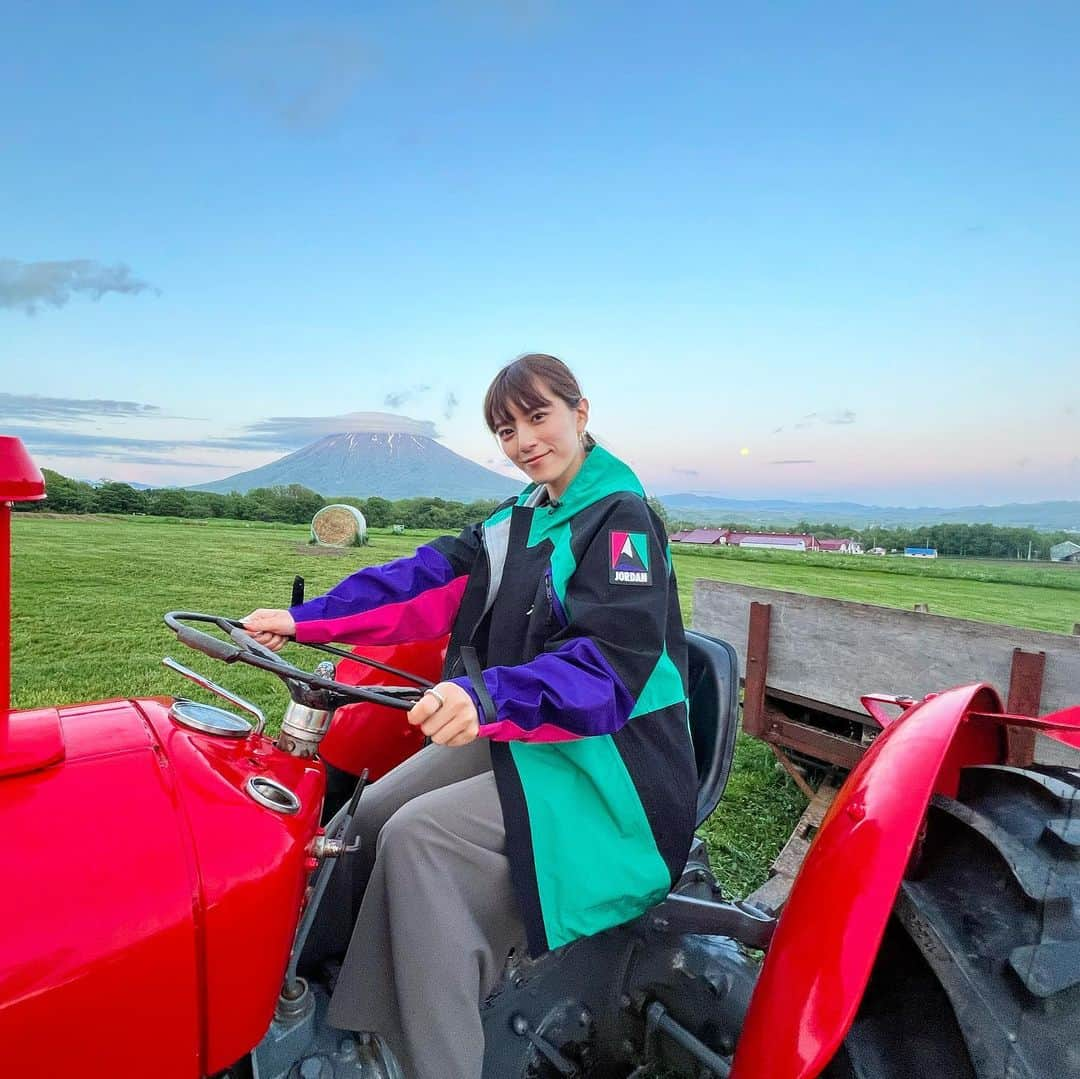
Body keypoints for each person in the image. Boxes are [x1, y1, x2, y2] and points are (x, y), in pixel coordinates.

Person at [243, 353, 697, 1079]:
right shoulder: (519, 515)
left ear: (581, 413)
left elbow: (610, 668)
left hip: (615, 765)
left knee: (422, 839)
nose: (523, 441)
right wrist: (304, 620)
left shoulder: (622, 522)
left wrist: (486, 698)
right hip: (531, 732)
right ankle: (298, 988)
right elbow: (422, 578)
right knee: (369, 810)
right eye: (506, 429)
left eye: (538, 416)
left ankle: (433, 1059)